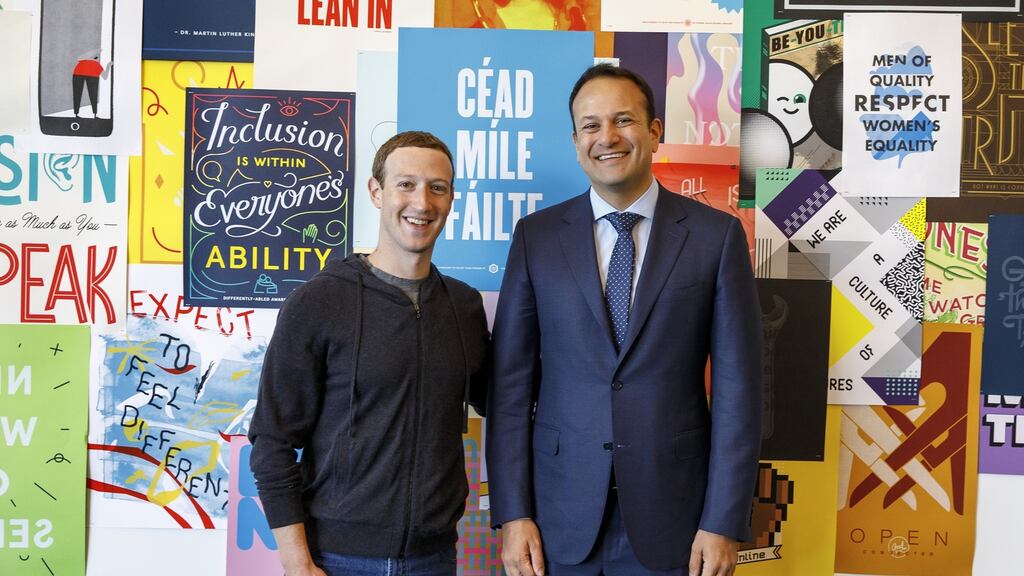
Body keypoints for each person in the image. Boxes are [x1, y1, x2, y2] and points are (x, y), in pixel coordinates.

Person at [487, 64, 762, 576]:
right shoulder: (536, 238)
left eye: (623, 120)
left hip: (677, 519)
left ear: (654, 132)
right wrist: (513, 513)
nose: (607, 137)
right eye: (590, 125)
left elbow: (738, 394)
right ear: (575, 140)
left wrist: (723, 520)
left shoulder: (716, 237)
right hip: (555, 520)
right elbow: (509, 390)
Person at [249, 131, 489, 576]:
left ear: (451, 199)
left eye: (437, 187)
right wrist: (298, 563)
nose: (422, 202)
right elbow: (272, 442)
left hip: (435, 558)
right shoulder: (319, 302)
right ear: (376, 192)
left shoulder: (464, 306)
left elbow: (506, 401)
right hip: (336, 559)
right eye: (406, 184)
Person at [72, 50, 111, 118]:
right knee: (90, 94)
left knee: (87, 94)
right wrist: (108, 65)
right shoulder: (85, 61)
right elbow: (105, 77)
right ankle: (90, 114)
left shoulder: (91, 63)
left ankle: (89, 114)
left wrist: (108, 65)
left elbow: (105, 77)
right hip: (83, 74)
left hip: (81, 74)